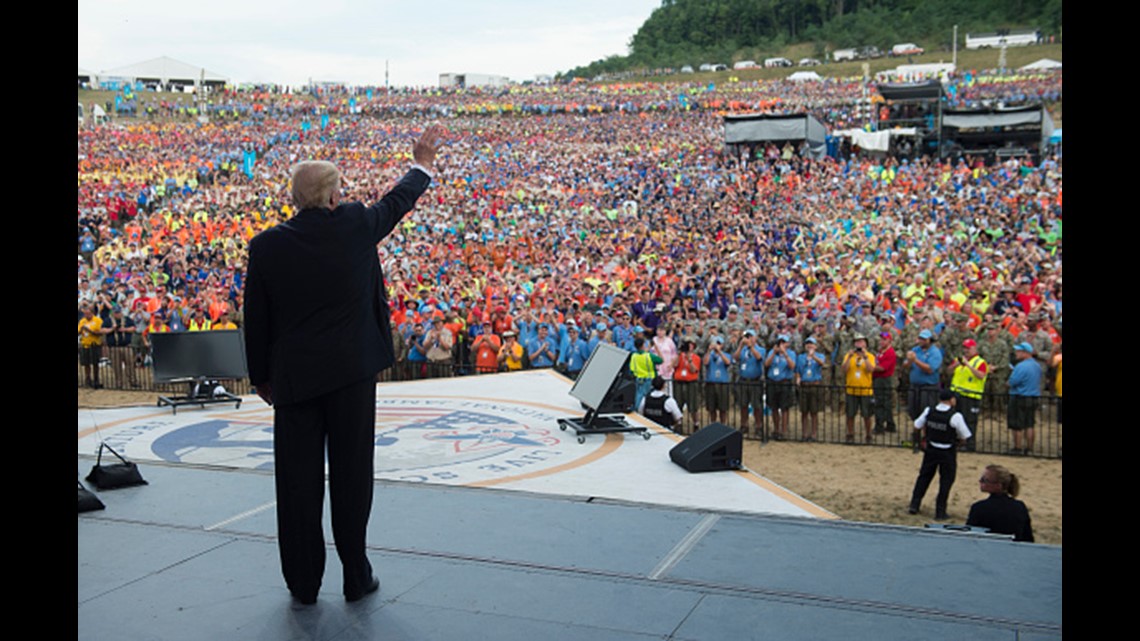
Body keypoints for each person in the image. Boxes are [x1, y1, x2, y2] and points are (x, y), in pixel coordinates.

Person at [243, 124, 444, 606]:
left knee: (296, 484)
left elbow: (256, 319)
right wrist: (423, 164)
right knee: (352, 476)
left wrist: (262, 379)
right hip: (352, 376)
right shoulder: (354, 224)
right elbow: (397, 202)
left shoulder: (266, 246)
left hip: (293, 381)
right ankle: (356, 575)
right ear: (333, 198)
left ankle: (303, 583)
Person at [908, 390, 972, 520]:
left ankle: (915, 504)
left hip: (931, 449)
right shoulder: (955, 416)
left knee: (924, 477)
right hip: (947, 451)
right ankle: (940, 510)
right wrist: (959, 443)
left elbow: (916, 425)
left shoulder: (929, 411)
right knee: (946, 481)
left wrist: (923, 438)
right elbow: (965, 435)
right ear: (951, 400)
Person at [966, 464, 1035, 542]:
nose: (980, 481)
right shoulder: (1020, 507)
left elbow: (970, 537)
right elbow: (1028, 538)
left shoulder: (979, 508)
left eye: (984, 480)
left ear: (998, 486)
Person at [949, 338, 987, 451]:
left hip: (971, 396)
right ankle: (957, 442)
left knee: (969, 421)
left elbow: (981, 375)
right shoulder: (958, 359)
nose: (966, 350)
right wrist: (956, 364)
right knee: (955, 420)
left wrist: (968, 366)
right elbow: (948, 371)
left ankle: (970, 444)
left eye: (968, 348)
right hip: (957, 394)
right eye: (964, 348)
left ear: (974, 348)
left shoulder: (980, 362)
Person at [1007, 342, 1042, 456]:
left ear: (1025, 353)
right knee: (1029, 423)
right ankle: (1029, 448)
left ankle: (1017, 447)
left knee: (1017, 424)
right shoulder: (1037, 366)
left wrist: (1007, 383)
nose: (1016, 353)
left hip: (1019, 396)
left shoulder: (1021, 366)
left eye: (1019, 351)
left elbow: (1013, 382)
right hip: (1033, 396)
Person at [842, 334, 876, 444]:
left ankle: (868, 435)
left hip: (865, 390)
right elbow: (844, 369)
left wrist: (865, 357)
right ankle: (850, 434)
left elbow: (871, 369)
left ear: (865, 343)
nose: (859, 344)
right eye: (857, 342)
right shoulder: (849, 355)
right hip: (851, 389)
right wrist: (849, 358)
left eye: (861, 342)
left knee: (867, 415)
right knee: (850, 414)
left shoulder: (870, 356)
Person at [78, 303, 105, 388]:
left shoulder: (97, 320)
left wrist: (89, 330)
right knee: (86, 363)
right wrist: (81, 330)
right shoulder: (82, 321)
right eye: (85, 314)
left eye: (88, 314)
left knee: (95, 363)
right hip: (85, 344)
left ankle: (96, 379)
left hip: (94, 344)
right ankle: (88, 379)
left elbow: (100, 332)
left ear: (92, 313)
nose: (87, 316)